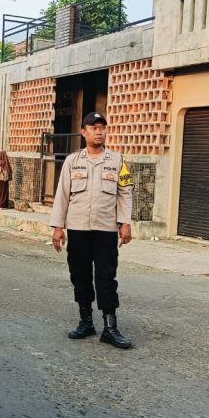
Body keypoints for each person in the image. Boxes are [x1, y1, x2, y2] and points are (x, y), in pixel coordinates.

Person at [50, 112, 134, 348]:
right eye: (94, 127)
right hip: (77, 229)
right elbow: (62, 195)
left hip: (106, 229)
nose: (99, 131)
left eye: (102, 127)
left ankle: (110, 327)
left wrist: (125, 222)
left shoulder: (117, 161)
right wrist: (58, 226)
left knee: (107, 277)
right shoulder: (72, 161)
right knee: (80, 276)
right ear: (84, 132)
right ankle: (86, 321)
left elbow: (125, 193)